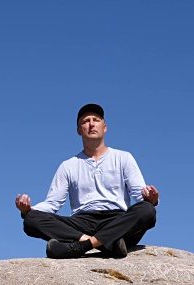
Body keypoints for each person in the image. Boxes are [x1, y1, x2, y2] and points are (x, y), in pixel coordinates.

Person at [15, 104, 158, 259]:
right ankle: (107, 244)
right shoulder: (68, 165)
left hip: (116, 220)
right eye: (85, 121)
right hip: (81, 223)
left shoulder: (123, 157)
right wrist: (28, 210)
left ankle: (80, 247)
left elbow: (140, 194)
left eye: (96, 120)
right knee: (31, 220)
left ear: (105, 127)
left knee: (147, 210)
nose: (91, 124)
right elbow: (52, 203)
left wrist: (150, 198)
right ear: (78, 130)